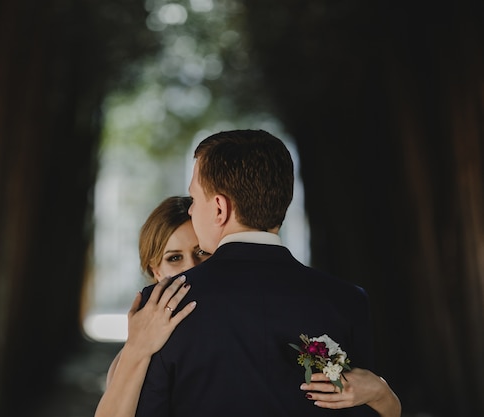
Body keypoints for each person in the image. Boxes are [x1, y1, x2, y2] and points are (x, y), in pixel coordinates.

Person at [133, 129, 391, 416]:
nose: (192, 211)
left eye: (194, 199)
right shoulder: (347, 300)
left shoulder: (163, 306)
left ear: (219, 208)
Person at [94, 196, 400, 417]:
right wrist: (137, 348)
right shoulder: (136, 352)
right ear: (156, 271)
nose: (191, 268)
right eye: (174, 258)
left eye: (202, 253)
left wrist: (382, 392)